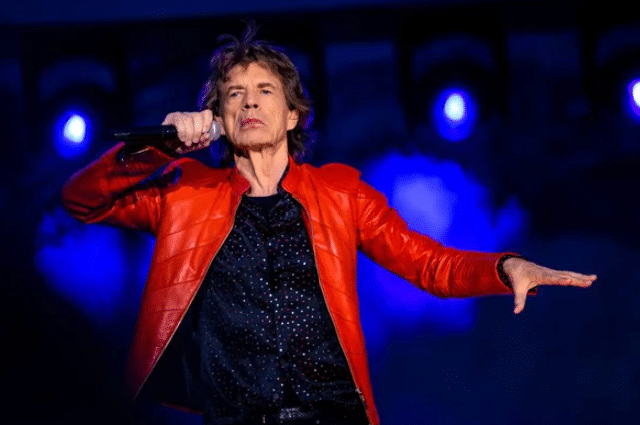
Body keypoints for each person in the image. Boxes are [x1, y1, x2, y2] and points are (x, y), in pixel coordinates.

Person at [62, 27, 596, 425]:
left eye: (265, 89)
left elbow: (428, 264)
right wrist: (157, 149)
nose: (250, 101)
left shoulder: (340, 193)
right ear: (218, 120)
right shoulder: (184, 194)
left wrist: (505, 268)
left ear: (293, 114)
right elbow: (81, 201)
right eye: (235, 93)